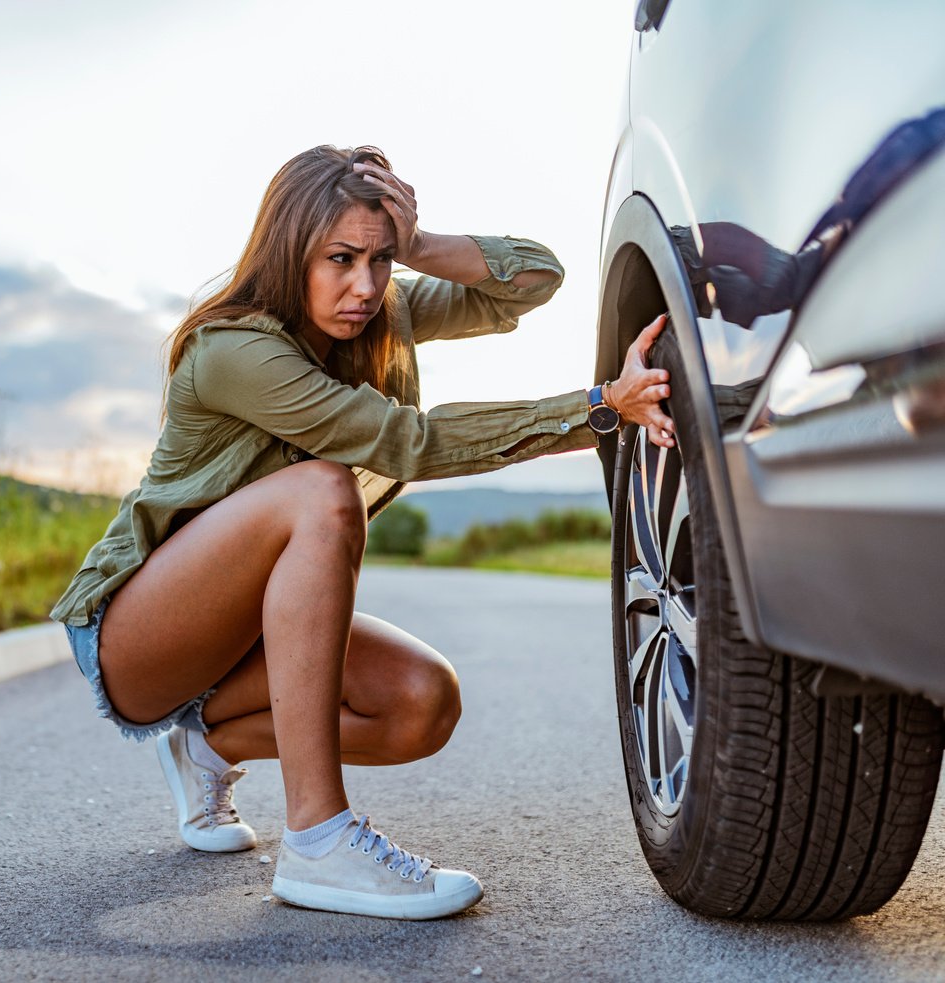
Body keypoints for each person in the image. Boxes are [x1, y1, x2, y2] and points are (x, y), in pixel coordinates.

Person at [50, 145, 674, 920]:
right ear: (289, 251)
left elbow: (535, 280)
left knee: (421, 700)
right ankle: (318, 843)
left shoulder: (384, 305)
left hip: (241, 640)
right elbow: (405, 441)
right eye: (340, 258)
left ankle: (208, 744)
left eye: (380, 260)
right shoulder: (236, 349)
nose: (365, 285)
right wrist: (597, 408)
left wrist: (420, 246)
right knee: (321, 492)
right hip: (139, 635)